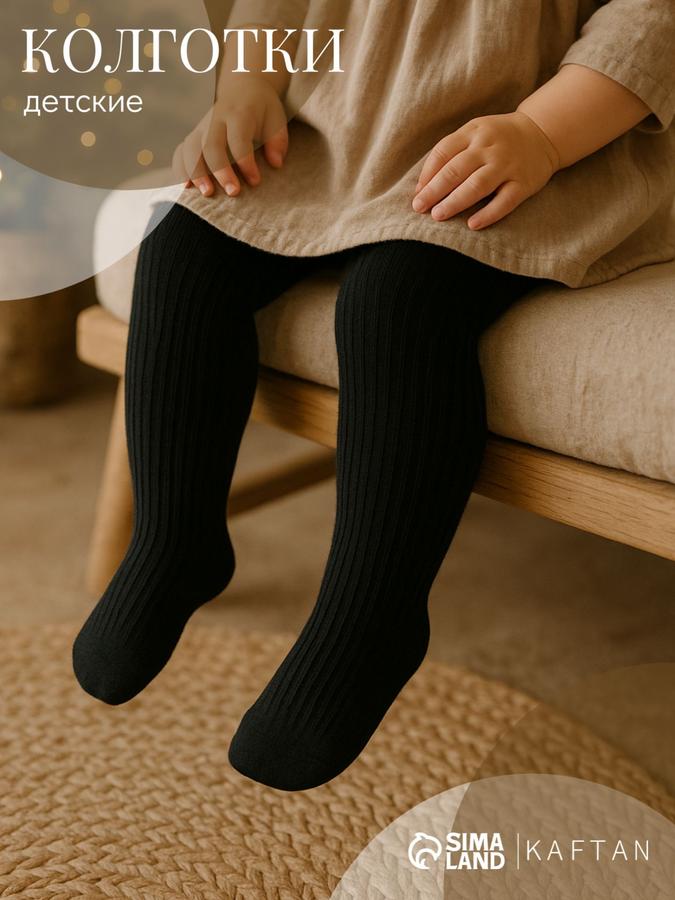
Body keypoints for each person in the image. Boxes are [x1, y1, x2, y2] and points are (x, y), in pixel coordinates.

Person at [72, 0, 675, 791]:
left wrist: (542, 133)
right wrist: (249, 85)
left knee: (396, 305)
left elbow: (647, 21)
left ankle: (372, 617)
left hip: (517, 148)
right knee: (183, 248)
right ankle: (173, 541)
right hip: (338, 129)